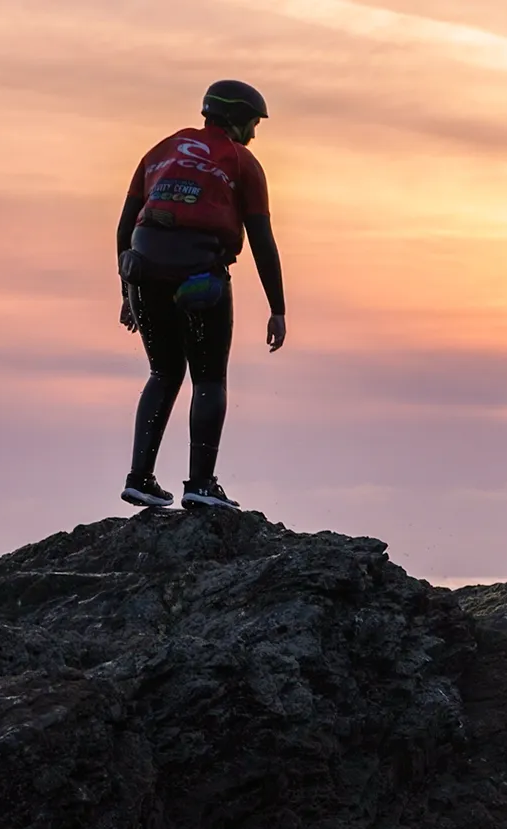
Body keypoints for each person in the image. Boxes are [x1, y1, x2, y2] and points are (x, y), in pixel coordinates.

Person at [116, 79, 288, 510]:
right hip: (199, 279)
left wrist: (126, 292)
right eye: (252, 124)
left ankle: (139, 478)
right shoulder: (241, 161)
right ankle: (201, 484)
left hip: (143, 272)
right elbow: (262, 239)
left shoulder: (161, 151)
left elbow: (124, 229)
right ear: (236, 119)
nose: (253, 135)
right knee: (209, 378)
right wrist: (278, 308)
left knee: (163, 373)